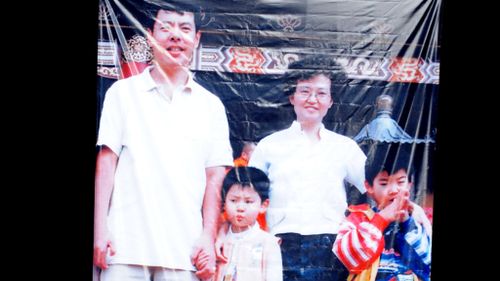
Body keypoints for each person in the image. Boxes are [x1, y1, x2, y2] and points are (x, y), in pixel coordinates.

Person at [93, 2, 233, 281]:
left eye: (184, 28)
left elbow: (215, 178)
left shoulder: (211, 105)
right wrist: (99, 231)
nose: (175, 36)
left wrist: (207, 236)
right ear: (150, 35)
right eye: (165, 27)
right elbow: (106, 165)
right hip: (124, 247)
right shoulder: (122, 94)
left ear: (197, 38)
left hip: (184, 250)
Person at [248, 55, 367, 281]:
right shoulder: (269, 146)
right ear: (292, 97)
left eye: (321, 93)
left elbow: (372, 187)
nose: (313, 99)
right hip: (278, 247)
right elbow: (249, 195)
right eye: (305, 91)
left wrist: (411, 208)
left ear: (331, 101)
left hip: (330, 250)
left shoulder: (345, 147)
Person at [332, 143, 432, 281]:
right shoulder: (358, 218)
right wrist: (382, 219)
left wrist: (407, 222)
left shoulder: (417, 218)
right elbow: (348, 258)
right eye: (384, 183)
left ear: (409, 184)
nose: (394, 189)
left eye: (400, 182)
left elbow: (427, 262)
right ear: (369, 187)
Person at [214, 167, 283, 281]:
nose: (240, 208)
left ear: (263, 205)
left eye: (248, 202)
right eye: (233, 200)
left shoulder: (268, 243)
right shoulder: (218, 241)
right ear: (224, 202)